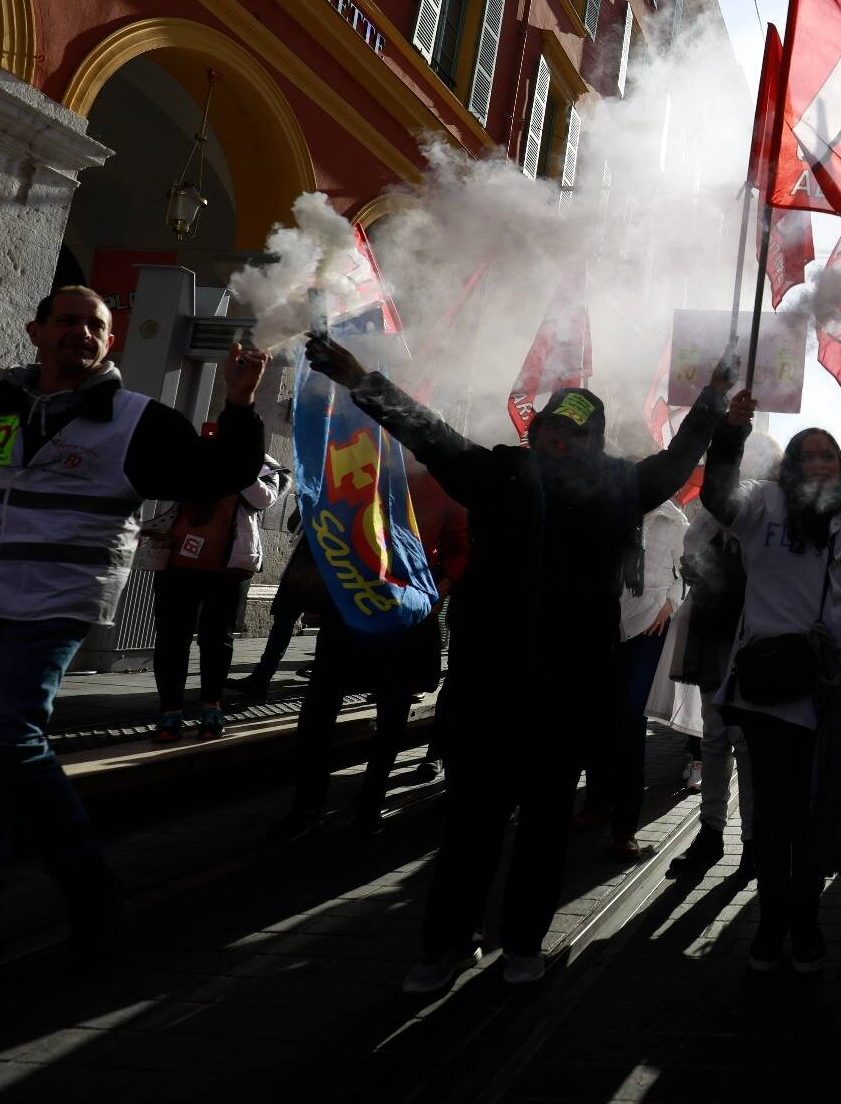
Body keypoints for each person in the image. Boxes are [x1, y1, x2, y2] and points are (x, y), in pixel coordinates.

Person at [300, 332, 727, 993]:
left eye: (579, 436)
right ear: (537, 432)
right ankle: (444, 944)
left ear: (597, 443)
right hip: (487, 684)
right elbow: (429, 433)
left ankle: (524, 941)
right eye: (555, 429)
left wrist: (714, 401)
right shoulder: (497, 472)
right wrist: (361, 378)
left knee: (546, 826)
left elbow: (675, 463)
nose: (564, 443)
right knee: (472, 822)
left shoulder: (618, 487)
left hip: (567, 690)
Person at [0, 287, 268, 979]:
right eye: (68, 321)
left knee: (1, 736)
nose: (81, 333)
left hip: (52, 599)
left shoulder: (137, 419)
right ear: (36, 330)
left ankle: (90, 885)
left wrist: (238, 404)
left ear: (110, 344)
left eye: (96, 326)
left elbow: (218, 474)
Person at [701, 403, 841, 976]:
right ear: (791, 465)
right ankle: (774, 921)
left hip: (821, 693)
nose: (819, 463)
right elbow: (717, 498)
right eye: (808, 454)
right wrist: (730, 433)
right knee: (776, 817)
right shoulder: (762, 502)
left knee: (812, 816)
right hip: (766, 690)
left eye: (829, 455)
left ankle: (805, 917)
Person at [265, 460, 468, 842]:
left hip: (407, 612)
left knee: (391, 712)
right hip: (352, 608)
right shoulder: (362, 468)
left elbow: (459, 545)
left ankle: (370, 799)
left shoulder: (441, 484)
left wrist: (440, 589)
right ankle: (308, 804)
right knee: (320, 708)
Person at [666, 435, 778, 874]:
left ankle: (752, 839)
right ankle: (711, 832)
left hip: (753, 633)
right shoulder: (711, 514)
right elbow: (692, 554)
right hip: (715, 629)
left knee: (745, 742)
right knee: (714, 739)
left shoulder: (771, 511)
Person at [150, 454, 289, 742]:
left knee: (216, 639)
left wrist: (236, 463)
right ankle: (170, 712)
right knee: (172, 639)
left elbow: (263, 500)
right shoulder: (194, 452)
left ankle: (211, 708)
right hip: (178, 563)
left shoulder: (264, 466)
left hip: (228, 569)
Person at [579, 495, 687, 860]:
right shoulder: (604, 505)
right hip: (601, 619)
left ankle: (625, 826)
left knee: (628, 719)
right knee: (596, 715)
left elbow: (686, 573)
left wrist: (669, 604)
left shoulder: (673, 518)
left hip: (648, 626)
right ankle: (597, 802)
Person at [226, 526, 319, 703]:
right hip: (302, 566)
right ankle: (261, 678)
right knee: (283, 621)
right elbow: (293, 522)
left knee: (289, 623)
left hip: (326, 567)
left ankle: (263, 678)